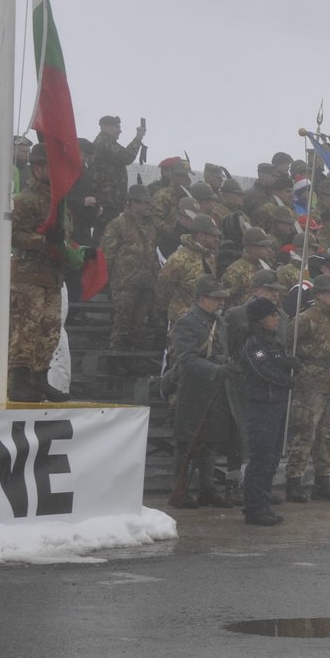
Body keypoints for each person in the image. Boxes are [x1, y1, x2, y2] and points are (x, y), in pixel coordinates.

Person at [168, 276, 238, 508]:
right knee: (187, 443)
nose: (220, 302)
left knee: (211, 442)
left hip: (216, 389)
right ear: (201, 299)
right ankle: (182, 490)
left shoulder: (219, 322)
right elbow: (186, 358)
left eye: (221, 299)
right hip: (194, 390)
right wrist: (216, 369)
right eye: (215, 298)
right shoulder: (187, 322)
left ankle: (208, 489)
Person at [5, 143, 66, 401]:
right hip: (28, 275)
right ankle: (18, 381)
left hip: (51, 275)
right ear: (38, 168)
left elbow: (64, 237)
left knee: (49, 328)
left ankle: (40, 378)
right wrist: (43, 241)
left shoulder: (59, 201)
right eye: (51, 166)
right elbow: (12, 235)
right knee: (26, 329)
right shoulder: (26, 200)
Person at [284, 275, 330, 503]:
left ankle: (323, 481)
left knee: (329, 434)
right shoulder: (305, 318)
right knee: (305, 431)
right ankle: (293, 480)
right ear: (319, 294)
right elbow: (289, 346)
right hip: (310, 380)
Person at [236, 296, 297, 526]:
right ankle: (254, 507)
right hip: (262, 404)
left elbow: (276, 363)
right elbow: (262, 371)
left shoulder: (272, 342)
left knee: (271, 459)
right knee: (260, 458)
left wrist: (288, 364)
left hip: (276, 403)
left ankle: (264, 502)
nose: (277, 320)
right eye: (273, 316)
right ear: (261, 319)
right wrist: (285, 379)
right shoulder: (253, 342)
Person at [101, 184, 162, 353]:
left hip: (146, 283)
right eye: (144, 203)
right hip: (125, 285)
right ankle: (115, 360)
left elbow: (153, 253)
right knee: (122, 326)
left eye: (149, 203)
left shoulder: (150, 227)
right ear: (132, 203)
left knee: (137, 327)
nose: (148, 206)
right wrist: (109, 282)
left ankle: (128, 360)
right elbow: (107, 255)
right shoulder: (118, 225)